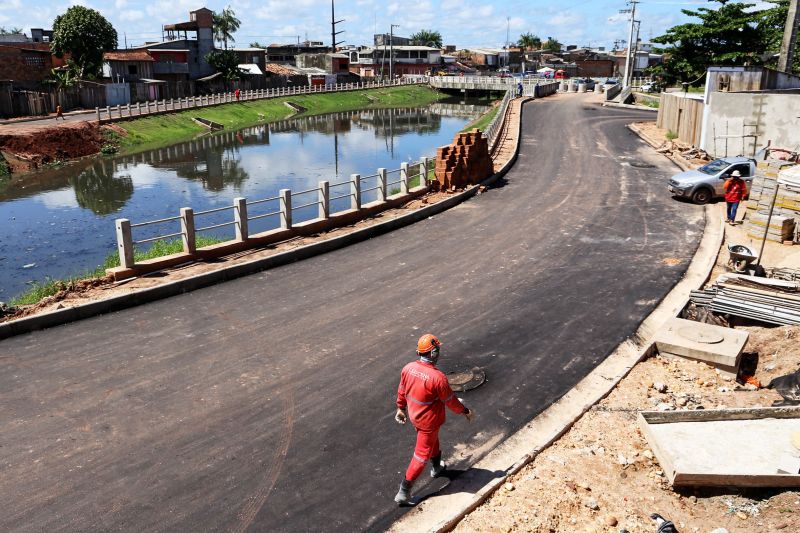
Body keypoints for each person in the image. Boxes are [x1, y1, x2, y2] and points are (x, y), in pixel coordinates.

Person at [393, 334, 474, 504]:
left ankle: (437, 467)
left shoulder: (408, 368)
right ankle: (403, 492)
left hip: (415, 416)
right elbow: (451, 401)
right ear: (434, 353)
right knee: (421, 456)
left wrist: (401, 409)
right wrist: (465, 411)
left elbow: (402, 390)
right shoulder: (438, 378)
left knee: (433, 442)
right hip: (428, 422)